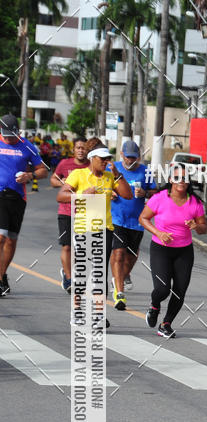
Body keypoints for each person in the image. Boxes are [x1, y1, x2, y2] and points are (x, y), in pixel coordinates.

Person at [57, 138, 133, 324]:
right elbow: (61, 196)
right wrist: (82, 194)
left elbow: (128, 195)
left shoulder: (109, 177)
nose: (106, 162)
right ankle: (77, 311)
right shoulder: (78, 174)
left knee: (100, 273)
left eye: (107, 159)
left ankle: (99, 313)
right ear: (92, 158)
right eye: (102, 159)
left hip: (104, 230)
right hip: (83, 229)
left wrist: (117, 174)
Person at [139, 162, 207, 338]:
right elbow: (143, 218)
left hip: (184, 251)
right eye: (177, 177)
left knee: (180, 291)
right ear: (170, 179)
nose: (181, 181)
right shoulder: (160, 198)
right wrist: (158, 233)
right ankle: (154, 306)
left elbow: (203, 228)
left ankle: (166, 323)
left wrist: (196, 226)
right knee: (162, 289)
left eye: (184, 178)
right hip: (161, 249)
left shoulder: (195, 202)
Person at [0, 113, 47, 297]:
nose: (9, 139)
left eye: (12, 135)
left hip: (18, 197)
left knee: (11, 239)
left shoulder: (27, 146)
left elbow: (43, 170)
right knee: (1, 237)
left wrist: (29, 176)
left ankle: (2, 276)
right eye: (6, 135)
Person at [110, 140, 156, 311]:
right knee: (119, 252)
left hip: (136, 221)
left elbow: (155, 192)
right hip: (116, 218)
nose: (131, 161)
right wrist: (111, 192)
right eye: (128, 157)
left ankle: (121, 277)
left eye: (134, 158)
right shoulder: (112, 168)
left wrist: (145, 193)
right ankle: (119, 292)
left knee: (132, 255)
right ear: (121, 154)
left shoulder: (146, 171)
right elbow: (102, 185)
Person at [50, 136, 88, 293]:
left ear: (88, 150)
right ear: (73, 150)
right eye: (78, 147)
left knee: (81, 248)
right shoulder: (65, 164)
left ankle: (73, 273)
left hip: (85, 212)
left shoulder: (91, 166)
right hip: (66, 211)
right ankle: (68, 277)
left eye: (83, 148)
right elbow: (53, 179)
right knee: (67, 246)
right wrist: (63, 184)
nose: (80, 150)